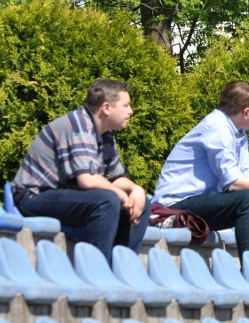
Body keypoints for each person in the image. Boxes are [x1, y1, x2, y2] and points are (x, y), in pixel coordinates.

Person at [153, 81, 249, 267]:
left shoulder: (238, 133)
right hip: (175, 206)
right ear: (246, 111)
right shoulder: (217, 128)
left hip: (200, 202)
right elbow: (234, 183)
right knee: (246, 200)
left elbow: (247, 176)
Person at [12, 79, 149, 263]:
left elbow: (114, 178)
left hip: (65, 194)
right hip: (34, 196)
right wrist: (121, 195)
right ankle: (96, 272)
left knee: (141, 203)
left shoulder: (105, 135)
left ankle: (123, 268)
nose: (131, 111)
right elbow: (88, 180)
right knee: (107, 201)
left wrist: (135, 190)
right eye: (126, 105)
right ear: (107, 107)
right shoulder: (78, 125)